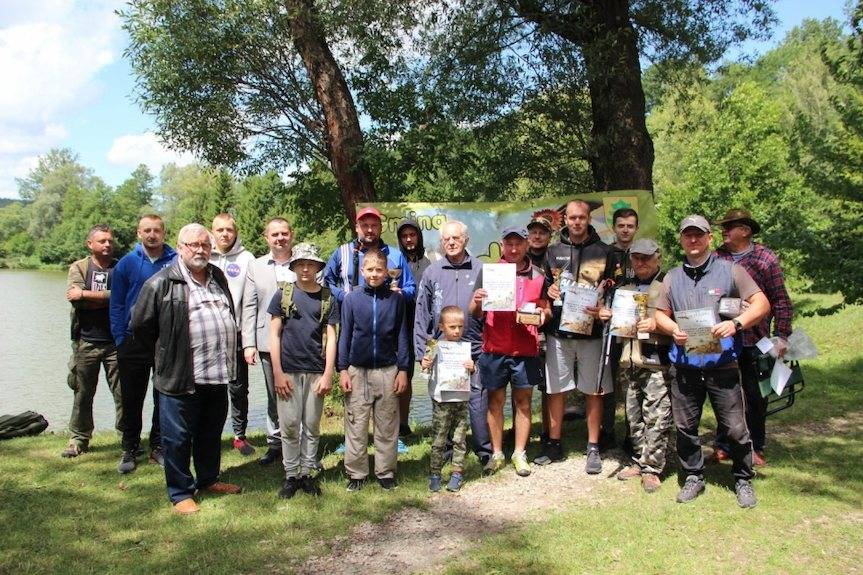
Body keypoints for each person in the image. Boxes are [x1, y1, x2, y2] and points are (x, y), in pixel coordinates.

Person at [654, 215, 770, 508]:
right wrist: (671, 329)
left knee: (734, 427)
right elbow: (659, 314)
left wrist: (737, 324)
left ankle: (743, 478)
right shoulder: (671, 278)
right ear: (681, 240)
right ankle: (693, 476)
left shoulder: (731, 271)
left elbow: (762, 303)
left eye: (699, 235)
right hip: (685, 365)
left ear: (710, 239)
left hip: (722, 364)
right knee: (685, 427)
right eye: (687, 235)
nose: (693, 240)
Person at [131, 223, 243, 515]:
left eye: (205, 245)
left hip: (217, 373)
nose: (200, 250)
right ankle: (180, 492)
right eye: (193, 245)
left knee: (210, 431)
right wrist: (165, 356)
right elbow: (141, 326)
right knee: (177, 437)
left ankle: (208, 479)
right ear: (180, 248)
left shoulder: (217, 276)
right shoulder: (161, 283)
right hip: (181, 376)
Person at [324, 205, 415, 454]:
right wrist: (343, 296)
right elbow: (327, 279)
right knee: (354, 387)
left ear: (380, 227)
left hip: (386, 323)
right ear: (357, 227)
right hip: (355, 323)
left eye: (374, 225)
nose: (369, 229)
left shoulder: (395, 255)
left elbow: (411, 288)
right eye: (365, 225)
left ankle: (391, 437)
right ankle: (352, 438)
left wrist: (398, 294)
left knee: (387, 389)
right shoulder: (342, 252)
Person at [713, 209, 793, 466]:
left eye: (729, 227)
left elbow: (780, 300)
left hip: (756, 339)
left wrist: (781, 336)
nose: (724, 231)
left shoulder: (765, 258)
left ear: (745, 231)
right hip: (723, 338)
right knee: (724, 393)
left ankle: (755, 445)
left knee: (756, 396)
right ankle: (724, 444)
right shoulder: (716, 257)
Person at [470, 226, 549, 477]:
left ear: (527, 245)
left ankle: (519, 453)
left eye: (518, 243)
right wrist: (478, 300)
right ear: (502, 245)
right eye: (509, 244)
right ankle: (496, 453)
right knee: (495, 402)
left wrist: (541, 316)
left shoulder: (538, 274)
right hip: (494, 348)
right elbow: (474, 312)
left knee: (523, 402)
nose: (513, 248)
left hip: (525, 348)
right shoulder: (491, 271)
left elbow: (546, 310)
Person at [545, 200, 616, 475]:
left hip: (592, 333)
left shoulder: (604, 251)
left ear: (588, 219)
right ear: (565, 219)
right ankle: (553, 443)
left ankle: (593, 446)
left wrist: (605, 309)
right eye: (572, 217)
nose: (576, 222)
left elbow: (613, 290)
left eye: (581, 218)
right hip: (559, 334)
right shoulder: (553, 252)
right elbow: (545, 288)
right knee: (556, 389)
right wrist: (550, 293)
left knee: (593, 390)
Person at [414, 220, 492, 466]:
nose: (450, 242)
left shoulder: (481, 269)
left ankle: (484, 450)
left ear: (465, 240)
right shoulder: (432, 272)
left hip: (475, 347)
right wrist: (421, 353)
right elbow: (421, 315)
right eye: (446, 239)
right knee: (445, 400)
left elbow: (493, 312)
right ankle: (447, 449)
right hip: (443, 350)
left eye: (455, 238)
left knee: (477, 401)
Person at [267, 243, 338, 499]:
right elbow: (274, 335)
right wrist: (277, 372)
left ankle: (307, 472)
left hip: (316, 370)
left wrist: (329, 372)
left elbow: (331, 336)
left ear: (318, 267)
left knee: (311, 424)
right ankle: (291, 474)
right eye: (300, 264)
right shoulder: (283, 295)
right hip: (288, 369)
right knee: (288, 425)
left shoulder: (327, 297)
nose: (305, 268)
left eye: (310, 264)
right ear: (294, 267)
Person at [338, 249, 409, 491]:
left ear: (386, 272)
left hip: (388, 370)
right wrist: (342, 369)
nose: (375, 274)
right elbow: (344, 336)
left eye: (379, 270)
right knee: (356, 424)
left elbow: (402, 335)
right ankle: (356, 474)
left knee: (387, 424)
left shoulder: (396, 300)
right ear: (362, 271)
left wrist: (403, 369)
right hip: (358, 370)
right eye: (370, 270)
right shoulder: (351, 300)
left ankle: (385, 472)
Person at [110, 214, 176, 474]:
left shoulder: (175, 261)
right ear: (139, 233)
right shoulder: (126, 264)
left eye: (156, 230)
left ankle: (158, 446)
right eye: (146, 230)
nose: (152, 235)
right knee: (131, 397)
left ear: (163, 232)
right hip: (132, 341)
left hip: (164, 339)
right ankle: (130, 447)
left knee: (164, 396)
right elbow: (116, 305)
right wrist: (119, 338)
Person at [608, 239, 673, 493]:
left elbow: (680, 321)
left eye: (646, 257)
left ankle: (653, 469)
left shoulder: (668, 284)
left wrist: (658, 325)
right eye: (636, 258)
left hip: (657, 359)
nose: (641, 262)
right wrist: (607, 316)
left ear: (658, 257)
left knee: (656, 416)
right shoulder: (626, 286)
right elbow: (618, 322)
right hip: (630, 359)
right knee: (634, 415)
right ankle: (639, 460)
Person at [61, 224, 123, 458]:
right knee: (83, 392)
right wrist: (106, 298)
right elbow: (74, 299)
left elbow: (120, 298)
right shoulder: (79, 267)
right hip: (85, 342)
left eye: (110, 240)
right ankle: (79, 438)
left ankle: (127, 438)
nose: (107, 244)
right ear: (90, 244)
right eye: (102, 241)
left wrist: (86, 294)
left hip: (115, 342)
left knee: (122, 393)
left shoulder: (120, 267)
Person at [242, 218, 296, 465]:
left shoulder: (304, 263)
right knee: (275, 394)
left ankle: (299, 442)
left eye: (284, 233)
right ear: (267, 238)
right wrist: (249, 343)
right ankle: (275, 444)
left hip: (299, 339)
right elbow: (249, 306)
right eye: (274, 234)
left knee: (299, 392)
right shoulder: (255, 266)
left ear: (291, 235)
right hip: (265, 340)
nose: (280, 238)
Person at [209, 213, 257, 456]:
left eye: (229, 229)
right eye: (220, 230)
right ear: (212, 231)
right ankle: (209, 435)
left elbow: (251, 301)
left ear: (235, 232)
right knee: (208, 388)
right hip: (207, 335)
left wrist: (250, 339)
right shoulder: (202, 254)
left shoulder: (247, 258)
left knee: (238, 388)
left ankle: (239, 436)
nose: (225, 234)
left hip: (236, 334)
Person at [423, 306, 475, 493]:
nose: (456, 331)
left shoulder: (465, 348)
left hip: (461, 399)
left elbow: (471, 373)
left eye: (460, 327)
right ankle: (435, 474)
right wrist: (426, 364)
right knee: (438, 439)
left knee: (459, 439)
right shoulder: (434, 347)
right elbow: (424, 373)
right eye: (452, 327)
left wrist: (472, 367)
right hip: (441, 400)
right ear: (441, 326)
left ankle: (457, 473)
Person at [396, 220, 431, 439]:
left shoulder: (430, 263)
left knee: (432, 374)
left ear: (419, 237)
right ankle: (401, 423)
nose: (409, 239)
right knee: (403, 376)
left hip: (426, 327)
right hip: (401, 326)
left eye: (412, 235)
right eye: (404, 236)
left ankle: (443, 422)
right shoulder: (395, 263)